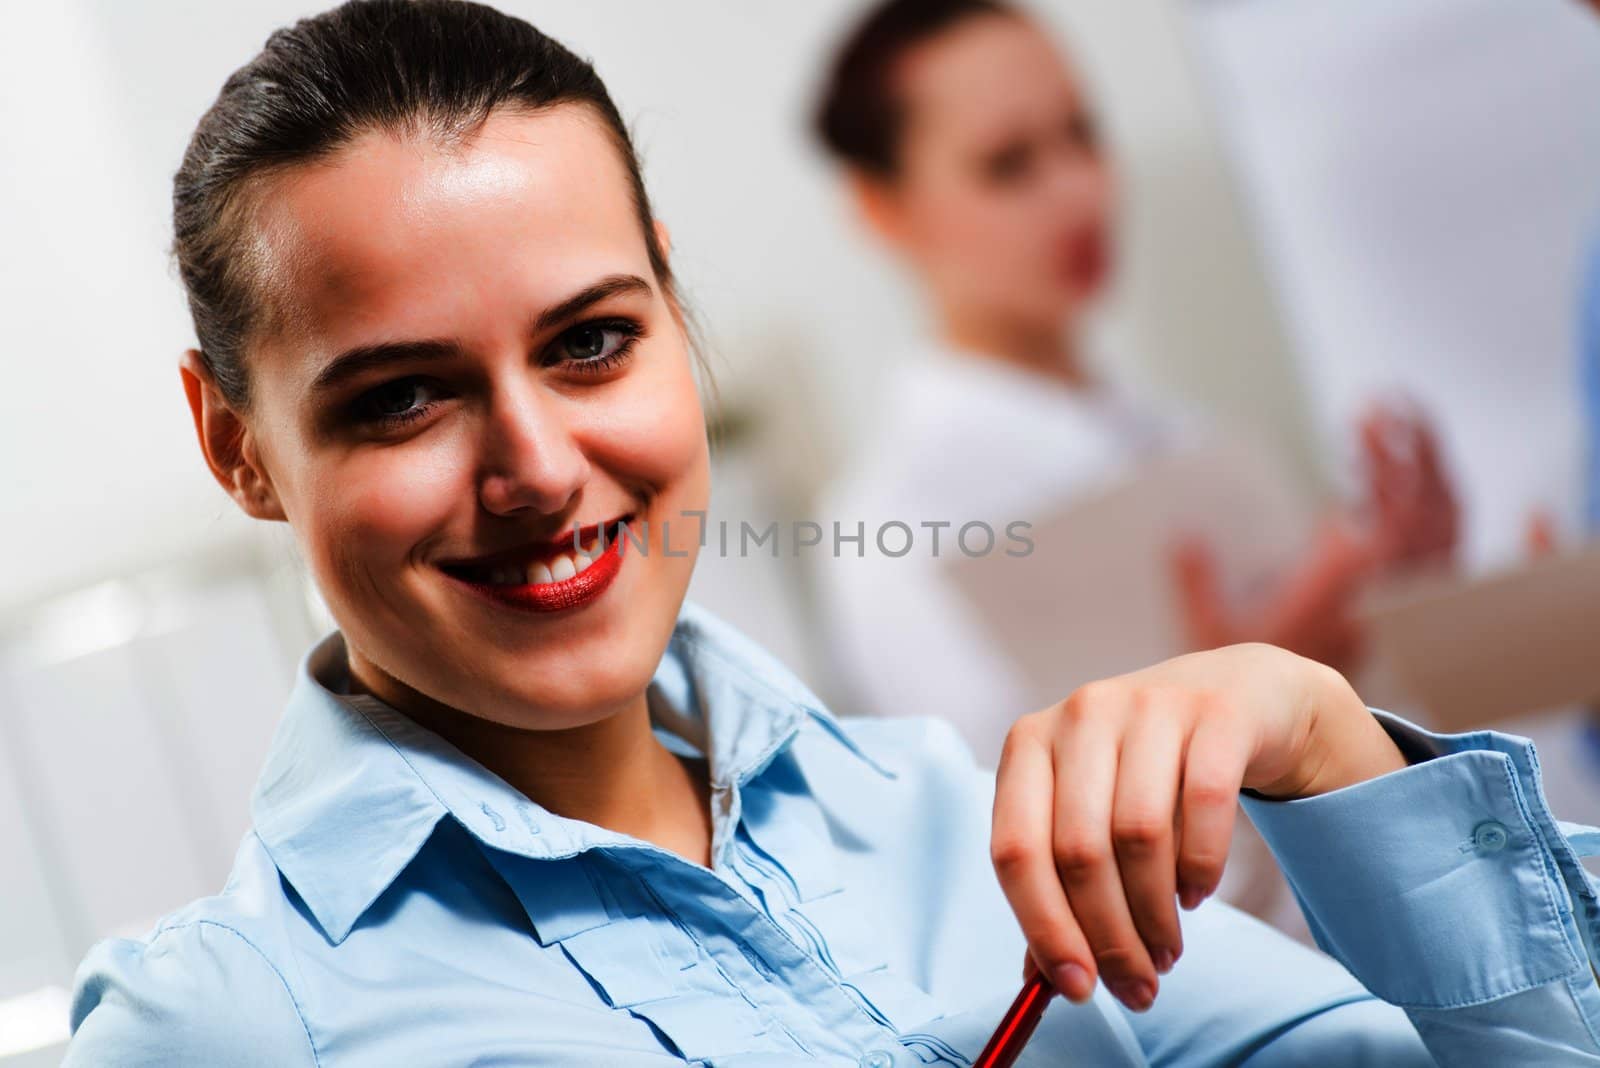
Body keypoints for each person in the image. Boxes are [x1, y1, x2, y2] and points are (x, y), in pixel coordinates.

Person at [62, 2, 1600, 1064]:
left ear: (673, 303)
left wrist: (1325, 739)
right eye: (401, 399)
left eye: (593, 342)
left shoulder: (943, 824)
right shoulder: (232, 1022)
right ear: (236, 446)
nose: (534, 464)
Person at [807, 0, 1459, 771]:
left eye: (1082, 134)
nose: (1080, 190)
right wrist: (1229, 719)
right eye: (1008, 164)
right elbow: (1008, 843)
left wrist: (1405, 596)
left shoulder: (1186, 435)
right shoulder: (893, 530)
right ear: (881, 207)